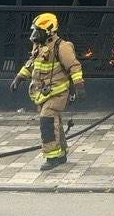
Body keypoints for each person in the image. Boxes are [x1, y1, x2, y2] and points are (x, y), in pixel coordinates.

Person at [10, 13, 84, 171]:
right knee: (54, 121)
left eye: (38, 31)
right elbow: (31, 65)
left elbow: (74, 67)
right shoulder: (39, 46)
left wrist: (79, 87)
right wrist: (19, 77)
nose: (34, 35)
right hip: (43, 94)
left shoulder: (62, 47)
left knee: (47, 120)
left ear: (49, 31)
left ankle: (52, 157)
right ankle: (61, 153)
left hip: (58, 93)